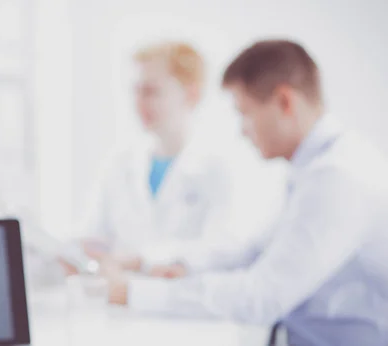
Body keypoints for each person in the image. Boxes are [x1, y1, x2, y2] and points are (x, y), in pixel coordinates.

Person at [105, 39, 388, 346]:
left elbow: (263, 296)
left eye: (245, 112)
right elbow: (252, 252)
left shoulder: (339, 176)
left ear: (284, 102)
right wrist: (163, 264)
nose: (242, 130)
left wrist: (134, 292)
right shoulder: (313, 168)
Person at [60, 41, 285, 276]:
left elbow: (223, 251)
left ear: (191, 94)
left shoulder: (223, 166)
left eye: (151, 92)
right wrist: (75, 252)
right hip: (120, 307)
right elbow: (95, 239)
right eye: (136, 91)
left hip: (188, 308)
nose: (139, 103)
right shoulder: (121, 165)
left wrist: (140, 260)